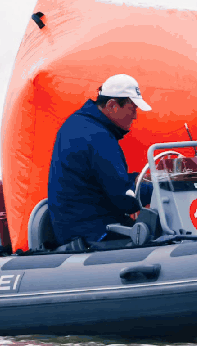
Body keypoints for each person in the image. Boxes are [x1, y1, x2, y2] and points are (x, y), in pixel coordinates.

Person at [47, 73, 152, 247]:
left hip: (75, 227)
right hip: (92, 233)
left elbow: (103, 181)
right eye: (132, 108)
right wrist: (161, 188)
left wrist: (141, 179)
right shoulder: (98, 137)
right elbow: (124, 199)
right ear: (112, 106)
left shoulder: (79, 124)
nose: (135, 116)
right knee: (159, 234)